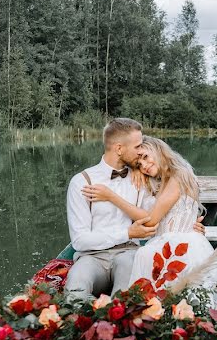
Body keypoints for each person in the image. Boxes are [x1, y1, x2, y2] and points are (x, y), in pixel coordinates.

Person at [81, 136, 217, 290]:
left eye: (145, 157)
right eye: (139, 164)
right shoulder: (159, 181)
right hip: (164, 242)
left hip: (181, 245)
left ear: (159, 151)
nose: (144, 165)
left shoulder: (179, 176)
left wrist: (111, 196)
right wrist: (135, 170)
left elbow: (151, 221)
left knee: (144, 257)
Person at [64, 118, 158, 298]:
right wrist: (127, 233)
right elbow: (80, 241)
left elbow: (151, 220)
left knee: (124, 296)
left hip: (128, 252)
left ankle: (116, 320)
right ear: (119, 148)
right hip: (92, 257)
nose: (141, 152)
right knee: (75, 289)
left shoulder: (141, 178)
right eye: (138, 146)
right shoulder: (81, 182)